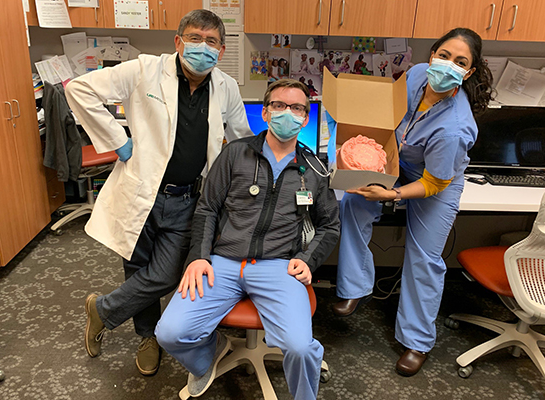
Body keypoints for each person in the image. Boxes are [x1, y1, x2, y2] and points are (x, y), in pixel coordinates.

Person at [65, 9, 252, 376]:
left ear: (221, 50)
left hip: (188, 198)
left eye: (211, 42)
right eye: (195, 38)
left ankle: (101, 310)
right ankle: (147, 336)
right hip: (141, 192)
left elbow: (241, 138)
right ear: (178, 41)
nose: (202, 47)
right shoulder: (144, 70)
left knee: (166, 274)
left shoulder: (226, 86)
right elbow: (79, 89)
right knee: (137, 268)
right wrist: (117, 141)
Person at [155, 79, 340, 399]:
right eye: (279, 105)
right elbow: (207, 208)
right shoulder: (235, 154)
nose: (288, 113)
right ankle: (207, 356)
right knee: (170, 334)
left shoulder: (313, 170)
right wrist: (198, 256)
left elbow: (330, 225)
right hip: (223, 262)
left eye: (297, 108)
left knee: (300, 348)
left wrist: (308, 260)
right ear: (266, 113)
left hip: (279, 266)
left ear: (305, 118)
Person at [332, 28, 494, 376]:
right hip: (398, 161)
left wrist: (392, 195)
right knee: (353, 203)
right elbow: (388, 116)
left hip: (436, 180)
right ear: (433, 54)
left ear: (469, 73)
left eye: (460, 62)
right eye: (444, 55)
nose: (448, 65)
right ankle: (355, 286)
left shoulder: (455, 127)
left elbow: (434, 182)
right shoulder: (418, 73)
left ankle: (417, 341)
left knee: (424, 258)